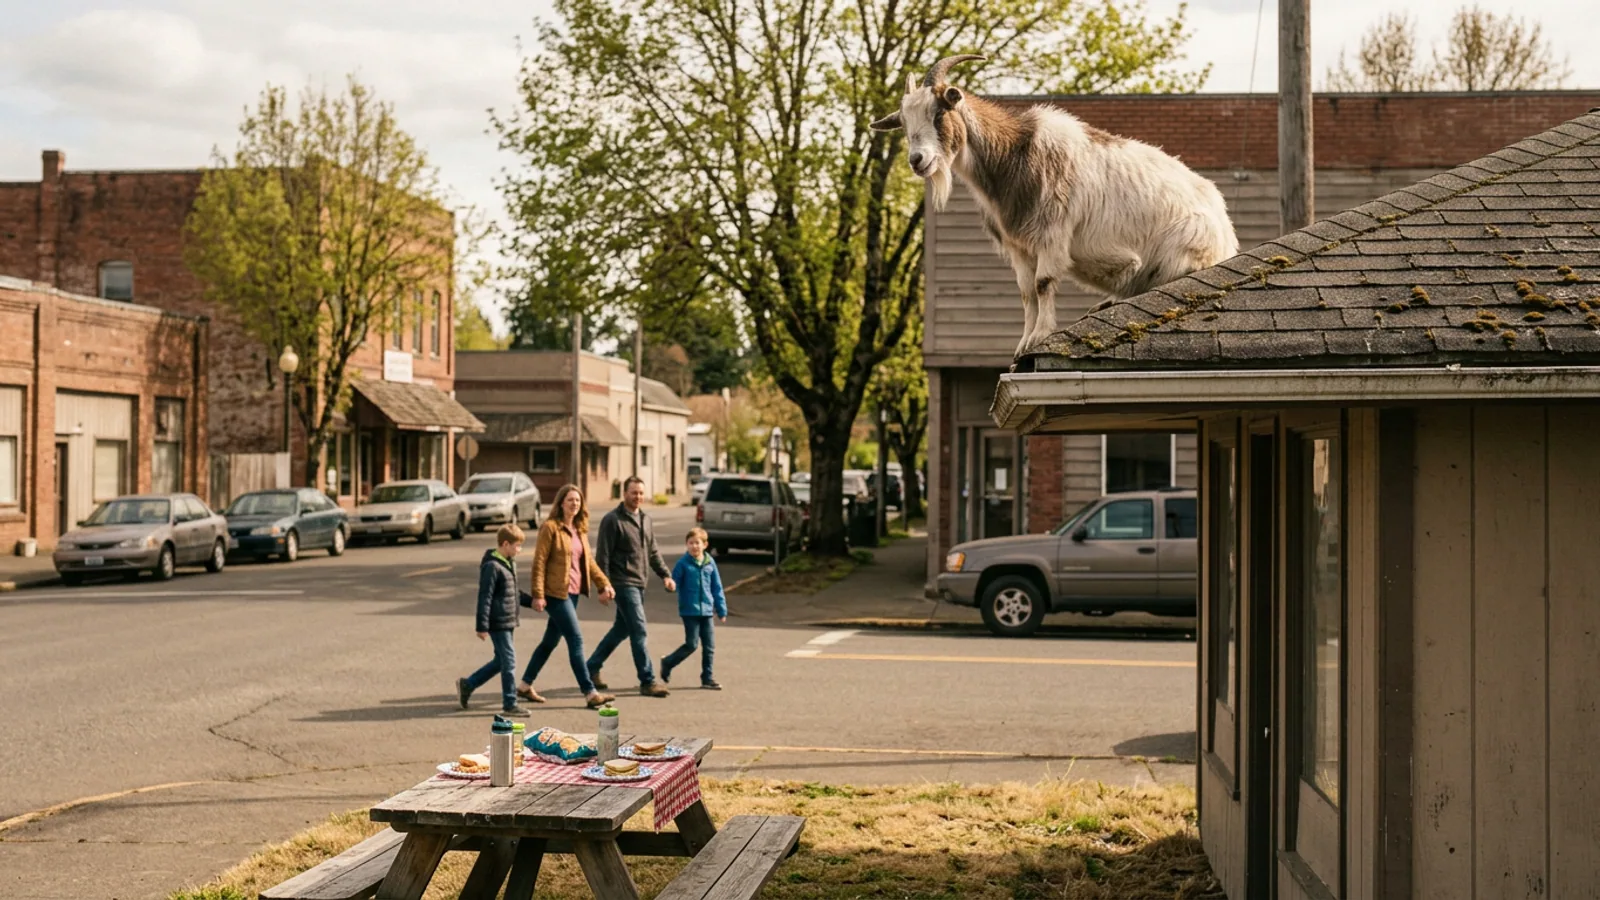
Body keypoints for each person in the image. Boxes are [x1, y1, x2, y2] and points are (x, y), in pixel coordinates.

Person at [518, 483, 617, 709]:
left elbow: (589, 562)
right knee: (576, 639)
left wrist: (604, 583)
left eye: (578, 500)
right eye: (570, 500)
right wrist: (538, 594)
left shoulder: (579, 530)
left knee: (549, 642)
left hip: (572, 593)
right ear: (561, 503)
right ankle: (590, 692)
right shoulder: (550, 528)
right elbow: (539, 562)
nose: (574, 504)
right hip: (555, 594)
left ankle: (524, 685)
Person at [587, 476, 676, 697]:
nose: (637, 497)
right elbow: (603, 555)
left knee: (622, 629)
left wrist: (665, 574)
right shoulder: (612, 520)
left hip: (639, 582)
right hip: (622, 582)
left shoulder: (646, 519)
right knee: (639, 629)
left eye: (640, 493)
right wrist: (602, 586)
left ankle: (590, 667)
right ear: (624, 493)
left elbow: (652, 551)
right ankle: (647, 680)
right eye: (633, 492)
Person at [456, 523, 536, 716]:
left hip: (508, 620)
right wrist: (482, 626)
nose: (519, 550)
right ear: (506, 544)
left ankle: (468, 684)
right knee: (509, 661)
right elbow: (485, 596)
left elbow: (512, 592)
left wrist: (531, 602)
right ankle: (510, 703)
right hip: (497, 621)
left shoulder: (509, 563)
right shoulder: (492, 566)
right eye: (517, 546)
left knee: (501, 661)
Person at [661, 527, 727, 690]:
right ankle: (668, 662)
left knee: (710, 646)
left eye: (697, 543)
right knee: (691, 644)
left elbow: (716, 587)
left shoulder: (709, 562)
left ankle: (707, 678)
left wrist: (721, 609)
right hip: (689, 611)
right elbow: (674, 583)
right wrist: (670, 586)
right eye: (690, 543)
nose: (694, 547)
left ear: (705, 545)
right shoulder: (683, 564)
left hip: (707, 611)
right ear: (686, 545)